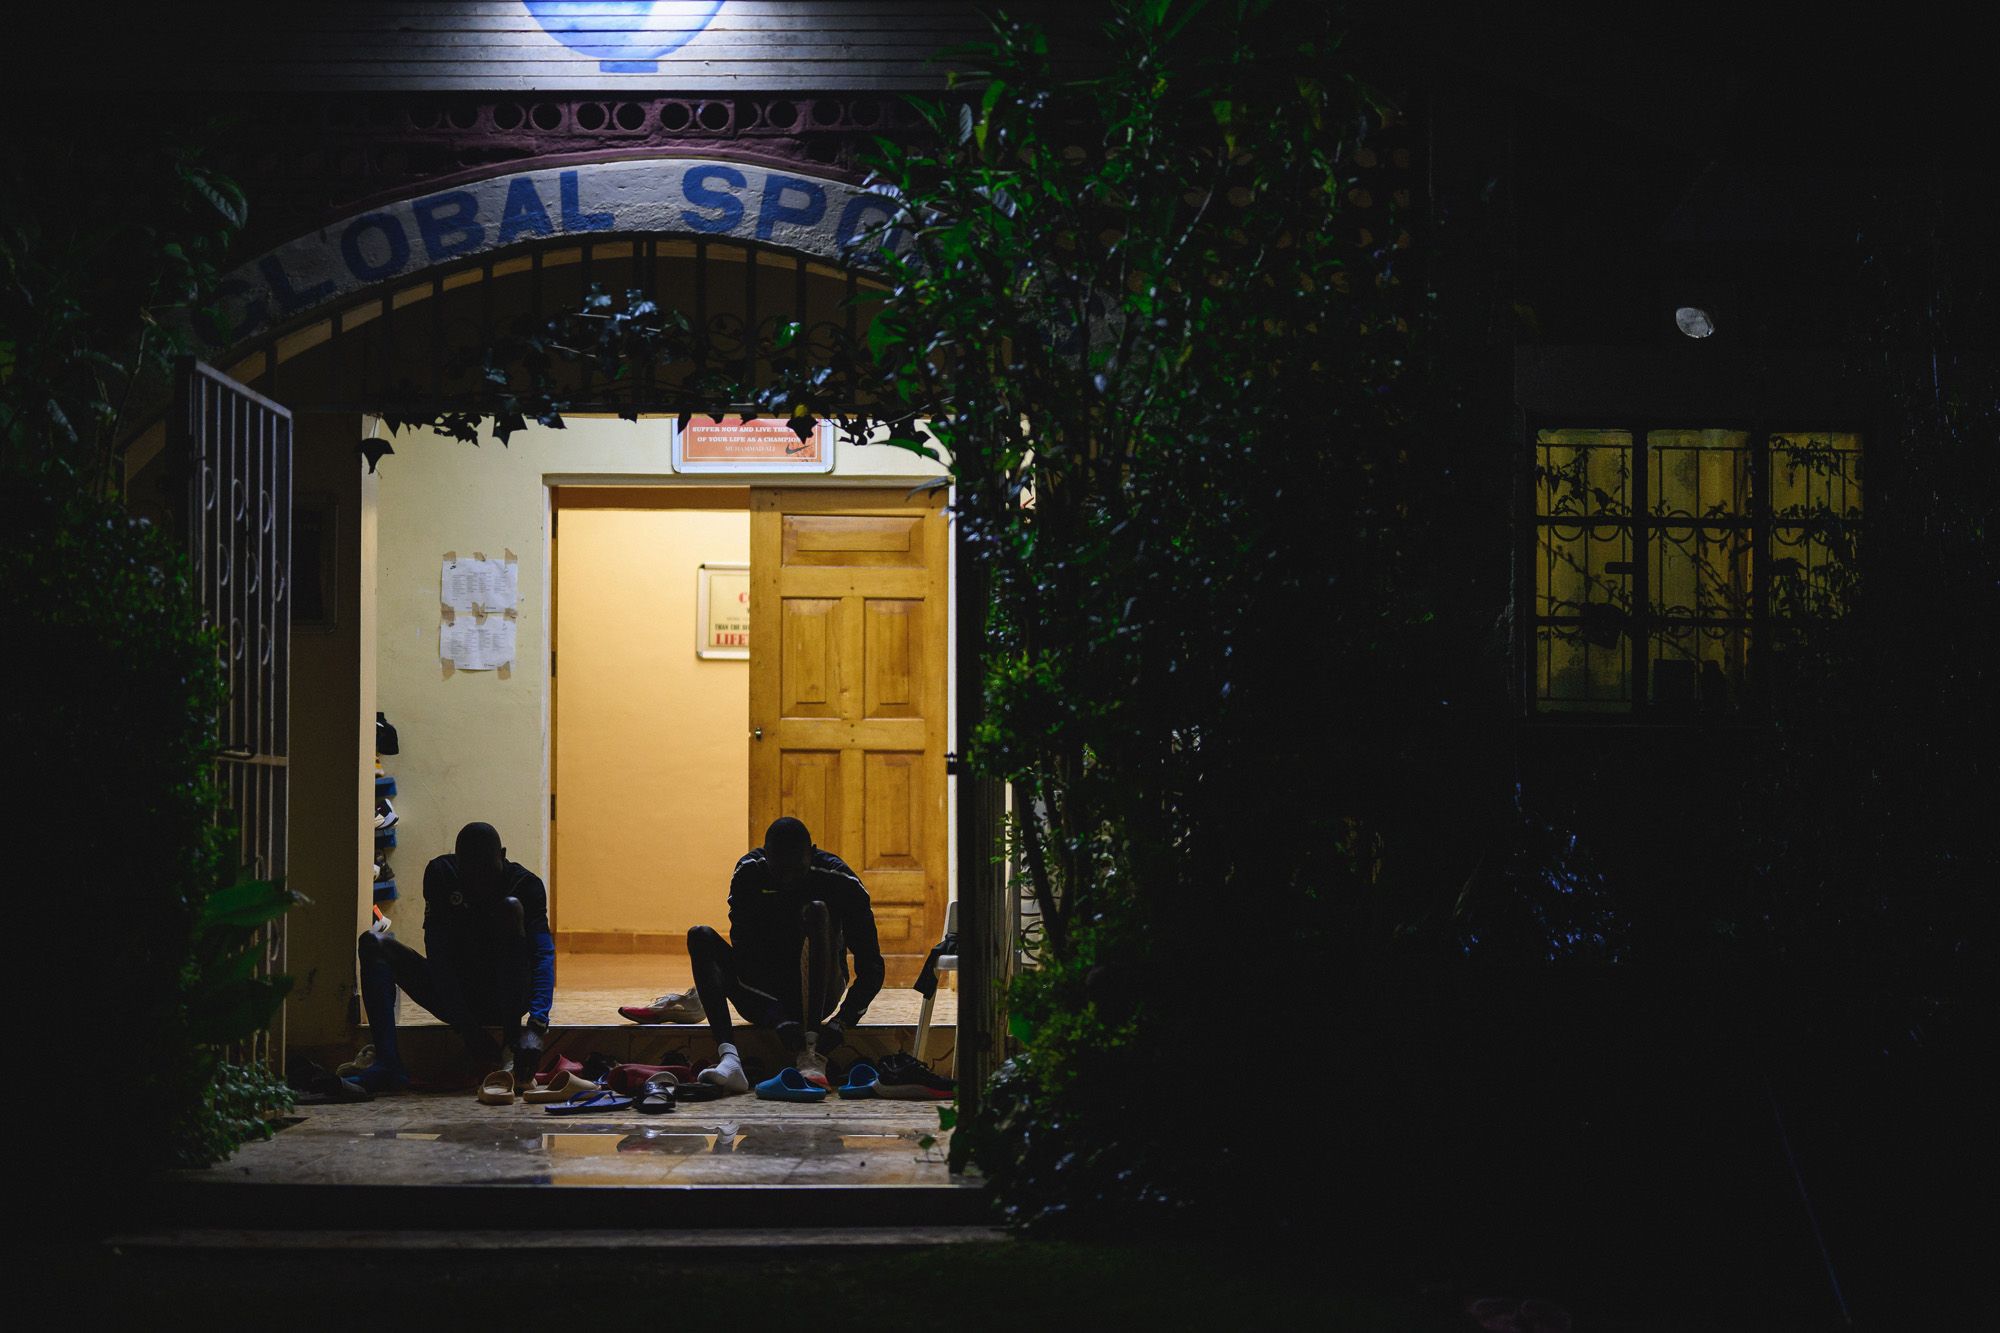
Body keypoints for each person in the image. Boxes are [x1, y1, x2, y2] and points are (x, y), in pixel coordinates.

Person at [622, 817, 883, 1094]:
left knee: (817, 910)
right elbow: (744, 962)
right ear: (766, 855)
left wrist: (843, 1022)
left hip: (819, 991)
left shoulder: (840, 880)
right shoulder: (749, 873)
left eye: (797, 870)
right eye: (779, 872)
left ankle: (810, 1048)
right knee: (700, 936)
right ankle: (730, 1060)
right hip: (761, 991)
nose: (788, 881)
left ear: (812, 852)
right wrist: (775, 1015)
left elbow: (872, 967)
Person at [347, 821, 555, 1093]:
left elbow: (543, 955)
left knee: (510, 907)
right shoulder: (441, 875)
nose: (478, 884)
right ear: (458, 863)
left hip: (508, 997)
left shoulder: (525, 885)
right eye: (470, 873)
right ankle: (389, 1064)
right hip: (457, 995)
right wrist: (467, 1029)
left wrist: (537, 1026)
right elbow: (438, 959)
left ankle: (511, 1047)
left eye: (486, 872)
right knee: (373, 943)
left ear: (502, 856)